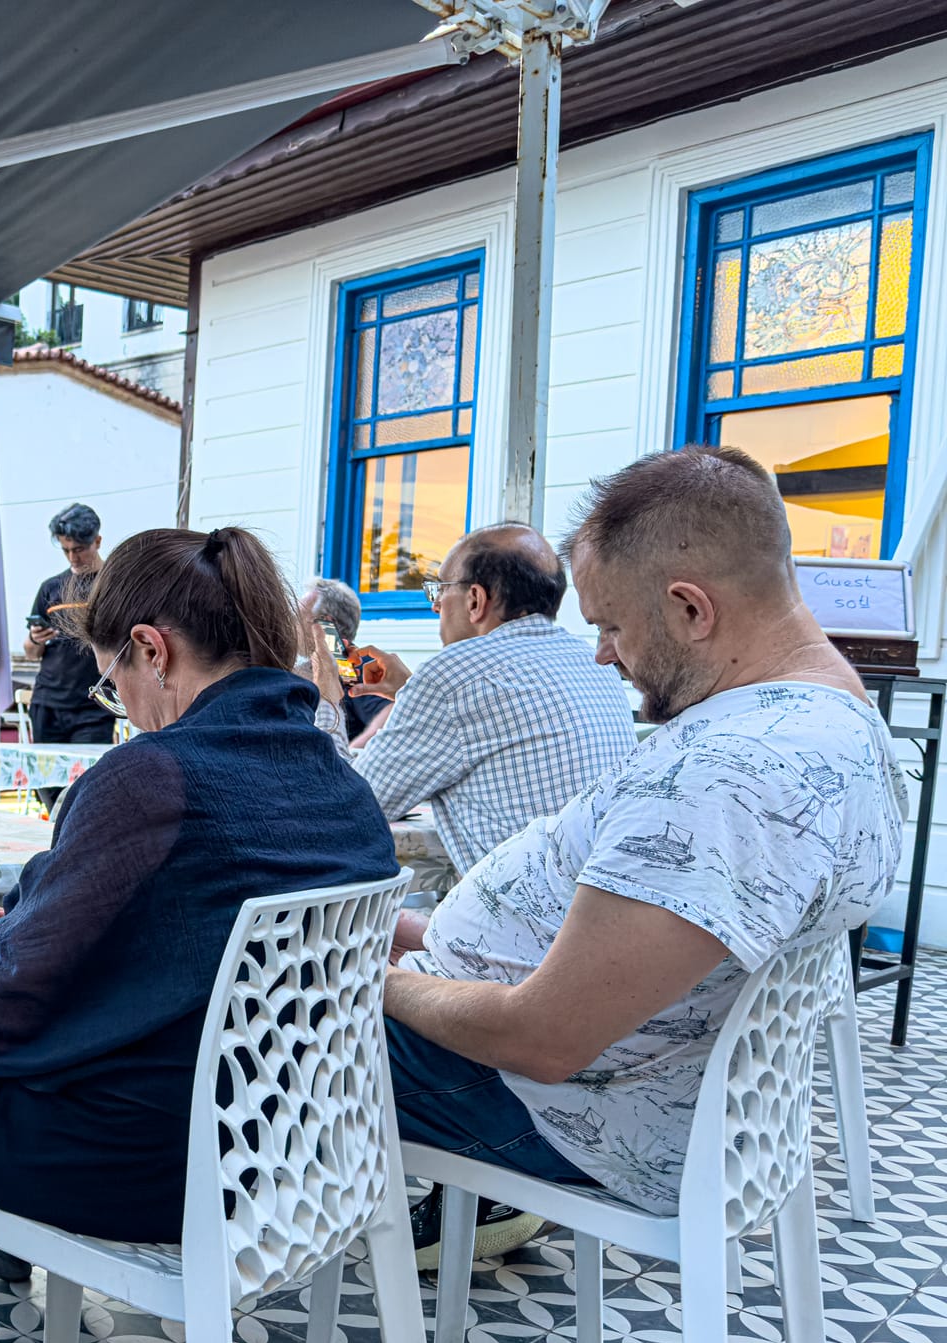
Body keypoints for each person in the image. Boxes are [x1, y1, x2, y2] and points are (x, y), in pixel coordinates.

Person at [0, 527, 398, 1343]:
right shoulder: (339, 785)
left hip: (140, 1173)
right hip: (290, 1167)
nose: (122, 708)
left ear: (152, 649)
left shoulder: (150, 778)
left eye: (115, 681)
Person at [378, 446, 904, 1264]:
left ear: (692, 610)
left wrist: (381, 983)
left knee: (229, 1022)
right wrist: (426, 939)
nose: (601, 655)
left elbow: (543, 1037)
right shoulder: (836, 718)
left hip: (549, 1101)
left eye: (612, 625)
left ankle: (174, 1260)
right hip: (616, 1078)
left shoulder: (730, 775)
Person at [341, 523, 637, 875]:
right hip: (605, 897)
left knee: (374, 917)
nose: (435, 608)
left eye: (438, 591)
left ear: (475, 600)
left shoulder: (452, 676)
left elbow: (352, 811)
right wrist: (411, 690)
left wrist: (328, 700)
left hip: (526, 921)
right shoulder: (590, 660)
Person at [21, 505, 114, 808]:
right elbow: (32, 652)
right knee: (46, 785)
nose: (73, 557)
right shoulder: (50, 588)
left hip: (94, 705)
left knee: (85, 786)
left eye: (80, 549)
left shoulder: (113, 585)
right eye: (66, 550)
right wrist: (35, 639)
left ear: (97, 541)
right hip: (48, 701)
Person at [300, 576, 390, 744]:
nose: (292, 626)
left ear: (326, 624)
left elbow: (388, 713)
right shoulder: (305, 668)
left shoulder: (348, 664)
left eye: (298, 619)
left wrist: (348, 759)